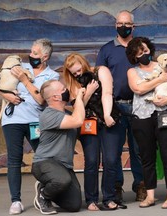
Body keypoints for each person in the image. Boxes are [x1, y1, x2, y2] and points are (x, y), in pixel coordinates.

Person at [0, 38, 60, 214]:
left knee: (43, 159)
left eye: (35, 53)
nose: (31, 56)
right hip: (13, 121)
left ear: (45, 56)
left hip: (35, 122)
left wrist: (24, 79)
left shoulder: (52, 76)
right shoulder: (21, 66)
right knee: (14, 160)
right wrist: (7, 96)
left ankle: (45, 195)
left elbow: (40, 99)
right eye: (31, 52)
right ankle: (16, 200)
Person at [95, 9, 146, 203]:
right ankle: (115, 187)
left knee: (139, 150)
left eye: (127, 24)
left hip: (139, 106)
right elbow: (99, 78)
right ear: (115, 25)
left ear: (133, 26)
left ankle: (141, 186)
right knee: (113, 152)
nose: (123, 27)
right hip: (115, 107)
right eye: (120, 23)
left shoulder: (140, 47)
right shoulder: (106, 49)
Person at [63, 52, 123, 211]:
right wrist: (87, 92)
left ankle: (109, 197)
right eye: (74, 73)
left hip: (108, 119)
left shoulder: (100, 71)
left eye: (78, 70)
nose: (77, 74)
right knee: (91, 161)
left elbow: (107, 93)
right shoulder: (73, 83)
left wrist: (107, 114)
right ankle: (91, 199)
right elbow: (77, 108)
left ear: (83, 63)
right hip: (89, 124)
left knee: (110, 160)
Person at [127, 37, 167, 209]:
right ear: (134, 57)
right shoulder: (132, 72)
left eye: (146, 50)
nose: (144, 54)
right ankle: (150, 195)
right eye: (140, 53)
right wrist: (160, 80)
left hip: (163, 113)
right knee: (146, 156)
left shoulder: (163, 65)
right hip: (141, 117)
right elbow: (139, 89)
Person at [32, 80, 85, 214]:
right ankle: (44, 195)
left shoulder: (67, 114)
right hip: (45, 162)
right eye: (63, 89)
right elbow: (78, 120)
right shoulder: (48, 115)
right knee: (62, 180)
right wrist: (78, 97)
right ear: (55, 97)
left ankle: (48, 186)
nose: (66, 90)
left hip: (64, 165)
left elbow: (79, 111)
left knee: (74, 205)